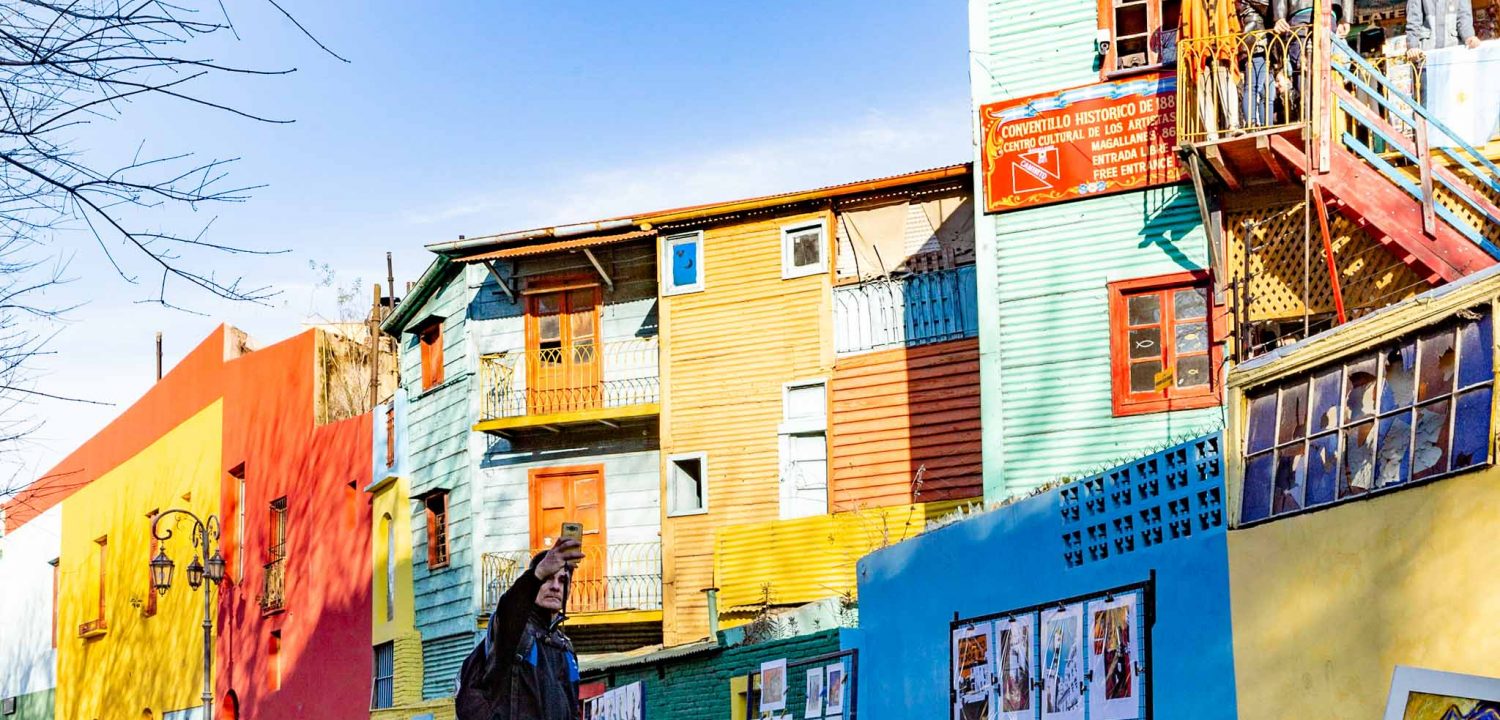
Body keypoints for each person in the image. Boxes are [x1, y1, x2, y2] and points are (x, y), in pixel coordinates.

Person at [456, 538, 586, 720]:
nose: (555, 587)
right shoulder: (512, 631)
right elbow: (510, 608)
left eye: (563, 581)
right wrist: (538, 573)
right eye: (548, 578)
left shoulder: (566, 648)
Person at [1273, 0, 1353, 121]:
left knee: (1305, 69)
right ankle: (1318, 123)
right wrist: (1345, 17)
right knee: (1320, 68)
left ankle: (1310, 122)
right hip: (1325, 11)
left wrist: (1279, 15)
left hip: (1302, 11)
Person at [1406, 0, 1484, 57]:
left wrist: (1468, 36)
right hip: (1428, 52)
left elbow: (1464, 16)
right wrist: (1413, 46)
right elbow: (1414, 19)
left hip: (1454, 50)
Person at [1239, 0, 1274, 127]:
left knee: (1268, 91)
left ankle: (1267, 125)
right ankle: (1252, 123)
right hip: (1256, 38)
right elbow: (1265, 6)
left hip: (1262, 40)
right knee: (1254, 87)